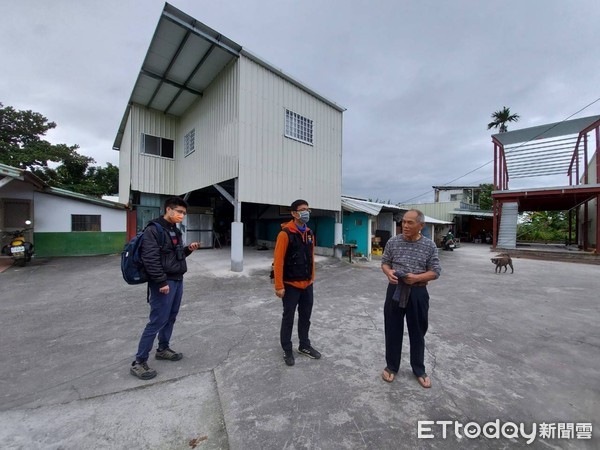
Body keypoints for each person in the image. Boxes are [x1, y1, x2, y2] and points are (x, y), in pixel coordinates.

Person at [130, 197, 200, 380]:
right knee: (157, 320)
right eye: (179, 211)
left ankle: (163, 348)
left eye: (184, 213)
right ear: (168, 209)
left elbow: (173, 256)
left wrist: (188, 250)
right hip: (164, 282)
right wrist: (161, 283)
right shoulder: (153, 230)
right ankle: (139, 361)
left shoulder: (174, 230)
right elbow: (150, 259)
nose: (181, 215)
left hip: (177, 279)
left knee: (170, 317)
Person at [380, 209, 441, 388]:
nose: (405, 226)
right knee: (392, 329)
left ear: (420, 225)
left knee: (417, 331)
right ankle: (391, 366)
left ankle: (419, 369)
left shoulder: (429, 246)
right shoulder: (393, 241)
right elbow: (385, 262)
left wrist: (417, 278)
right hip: (395, 289)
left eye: (410, 223)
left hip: (418, 293)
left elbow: (436, 271)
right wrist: (388, 272)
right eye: (403, 222)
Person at [273, 199, 321, 366]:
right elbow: (278, 262)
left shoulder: (309, 233)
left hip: (307, 285)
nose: (306, 212)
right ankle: (287, 348)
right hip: (290, 285)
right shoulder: (285, 234)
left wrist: (312, 278)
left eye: (308, 209)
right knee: (288, 317)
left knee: (305, 317)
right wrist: (279, 286)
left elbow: (311, 258)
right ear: (294, 213)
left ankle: (304, 345)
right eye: (302, 209)